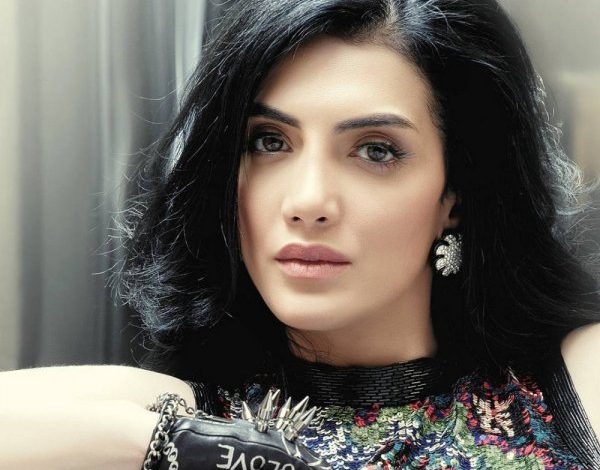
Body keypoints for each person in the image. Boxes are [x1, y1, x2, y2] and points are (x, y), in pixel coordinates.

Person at [2, 0, 600, 469]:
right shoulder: (181, 413)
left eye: (375, 150)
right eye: (270, 142)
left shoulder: (574, 387)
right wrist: (184, 446)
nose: (308, 202)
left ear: (456, 196)